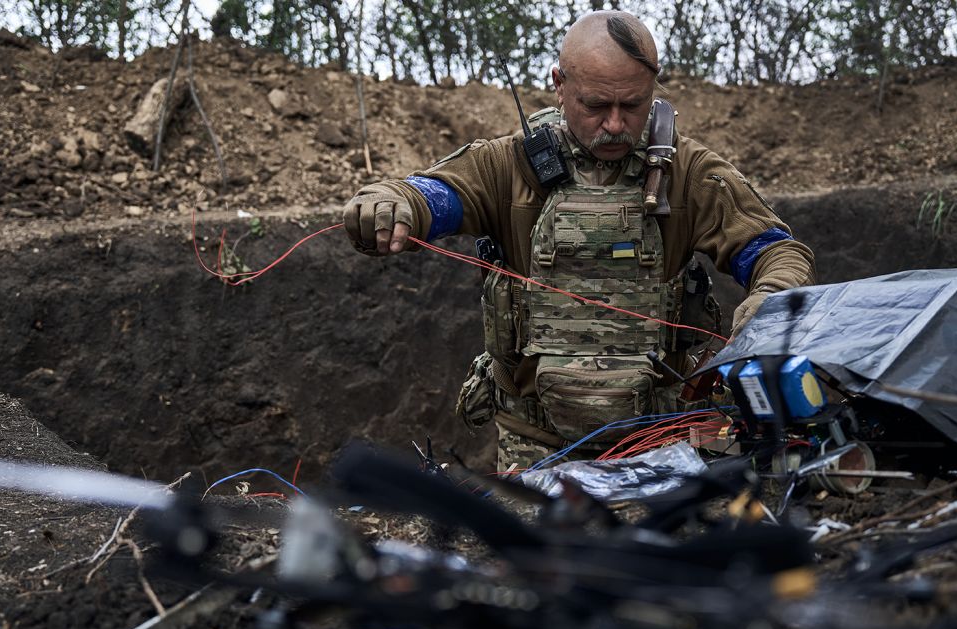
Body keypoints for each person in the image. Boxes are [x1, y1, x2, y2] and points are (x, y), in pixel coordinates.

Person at [344, 11, 815, 471]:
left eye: (632, 105)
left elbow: (775, 249)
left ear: (654, 88)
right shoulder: (509, 165)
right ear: (559, 84)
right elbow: (435, 196)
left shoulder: (688, 171)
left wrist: (771, 296)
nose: (614, 124)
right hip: (534, 446)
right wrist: (391, 204)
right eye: (595, 105)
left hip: (660, 440)